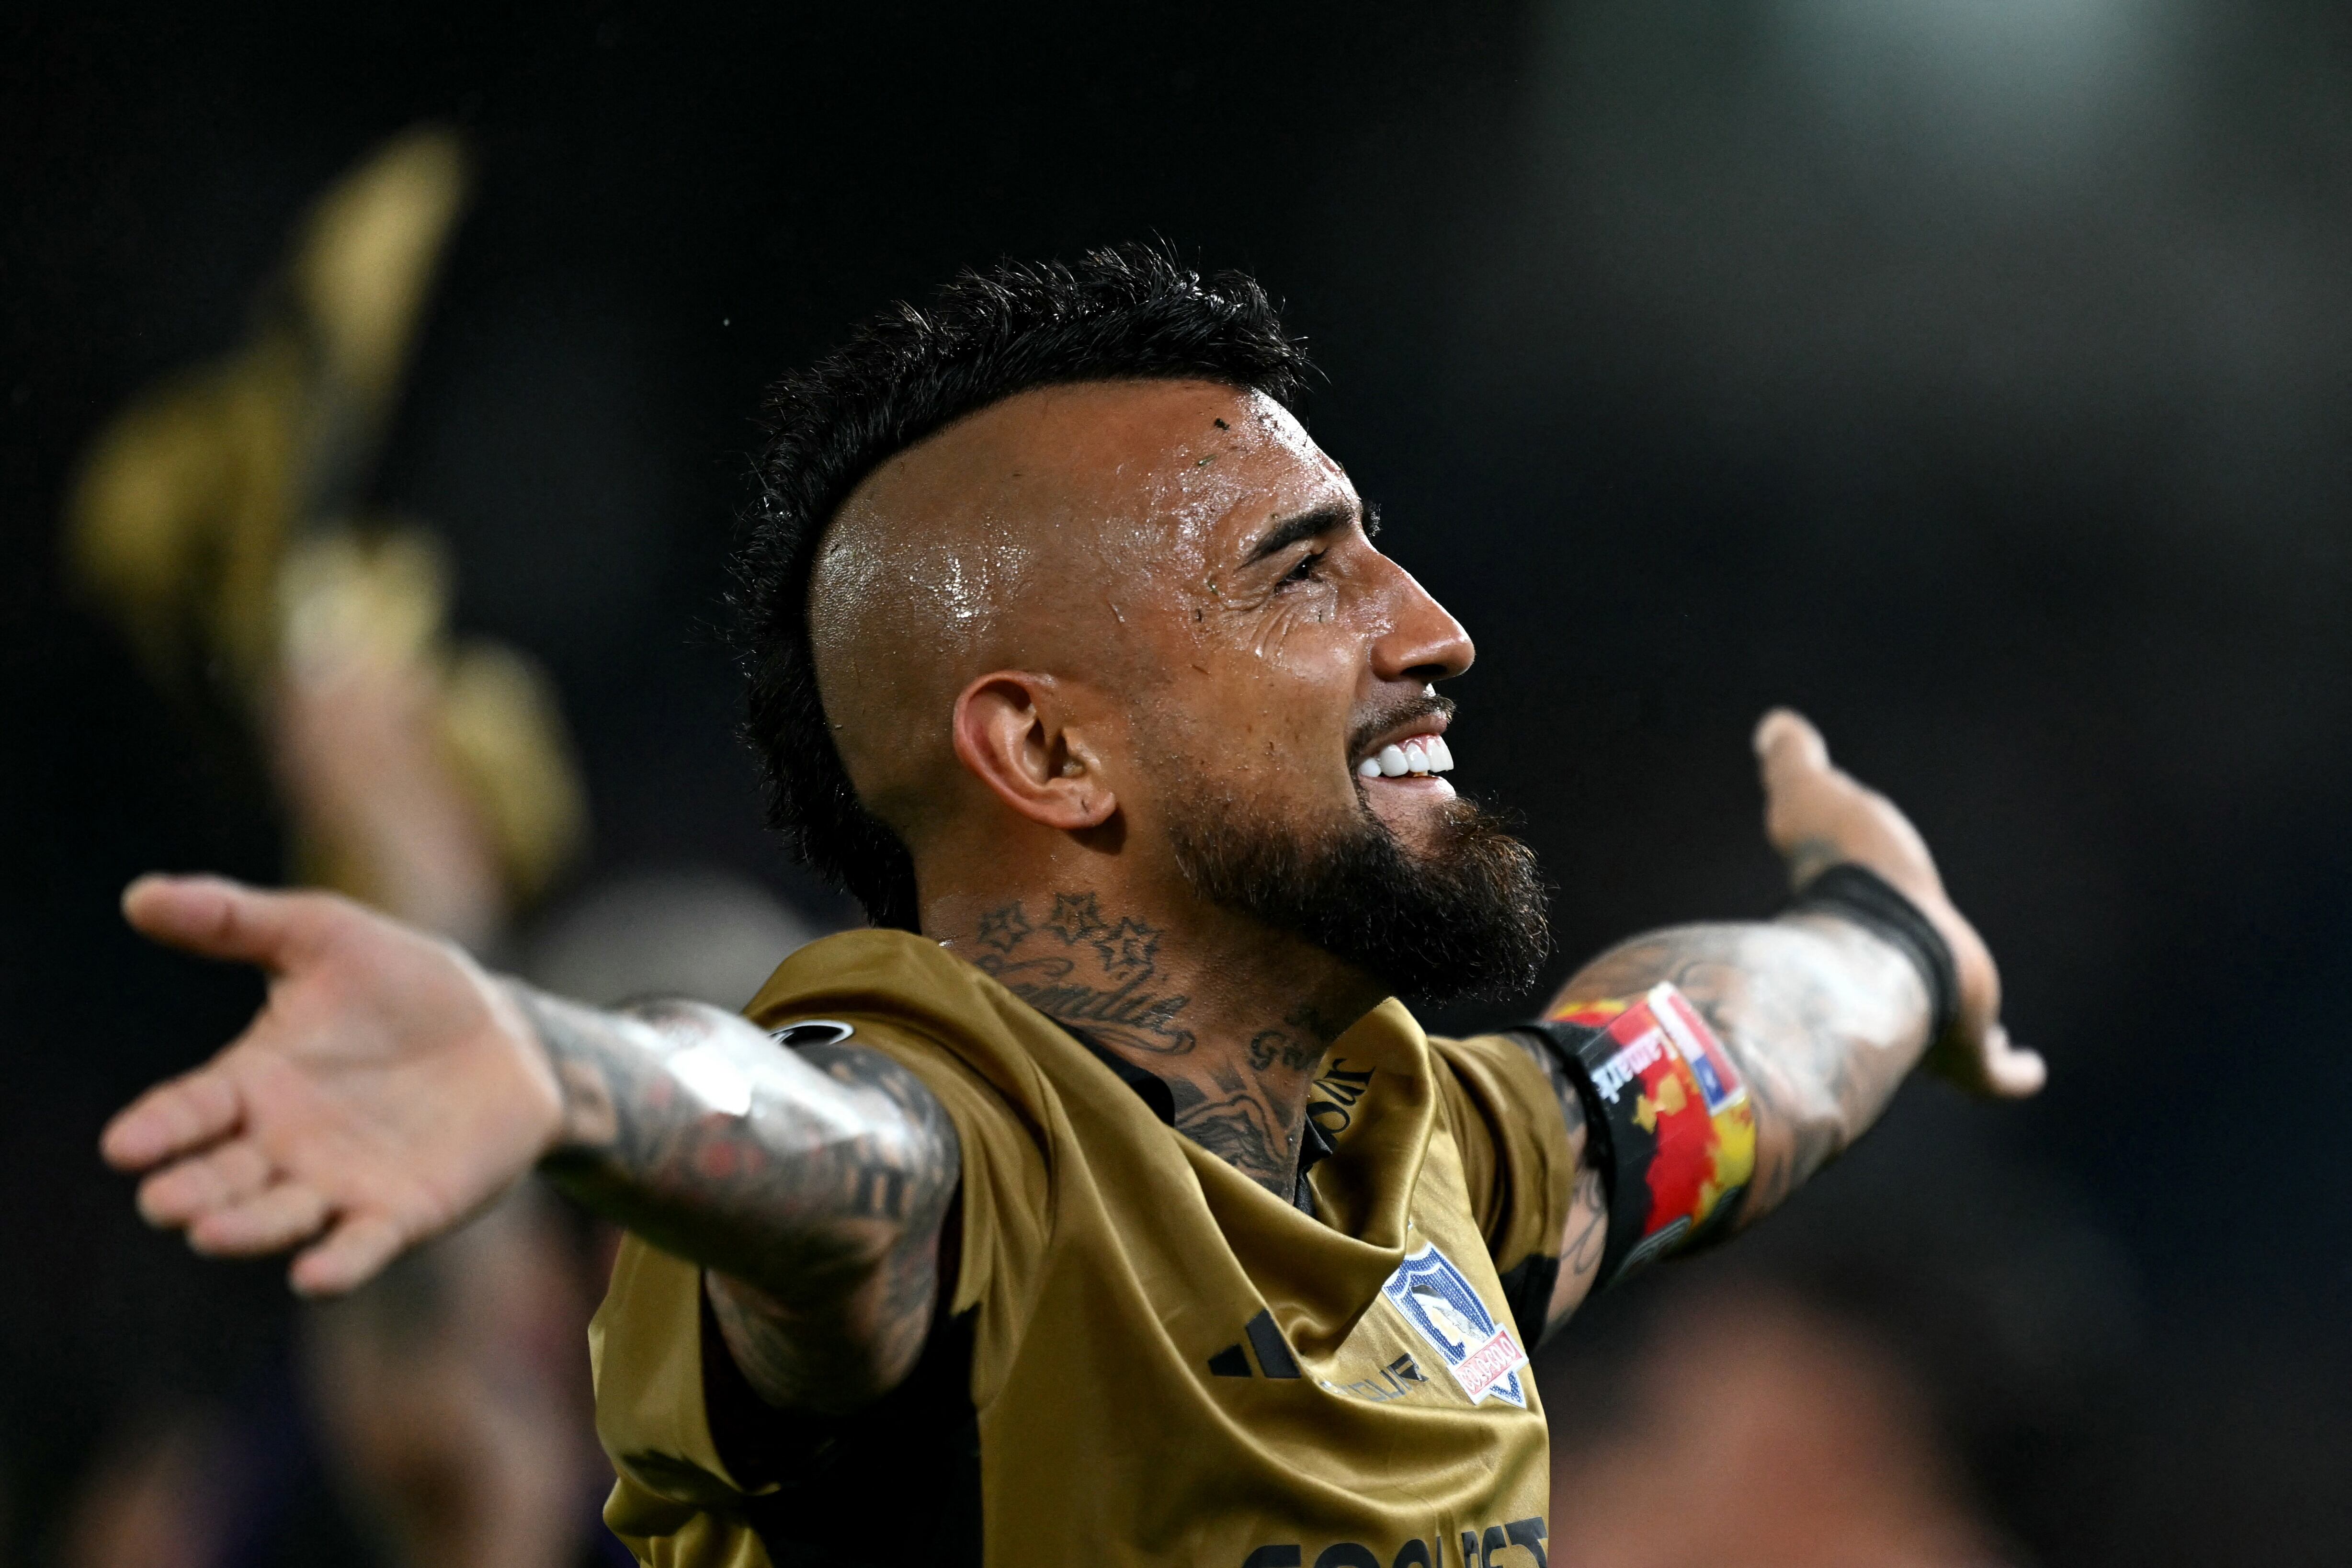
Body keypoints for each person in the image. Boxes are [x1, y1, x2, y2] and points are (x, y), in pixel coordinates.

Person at [100, 247, 2045, 1568]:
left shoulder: (1432, 1170)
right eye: (1303, 577)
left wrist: (1885, 936)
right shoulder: (981, 1165)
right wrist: (552, 1067)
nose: (1434, 630)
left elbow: (1736, 1058)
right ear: (1045, 749)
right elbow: (822, 1150)